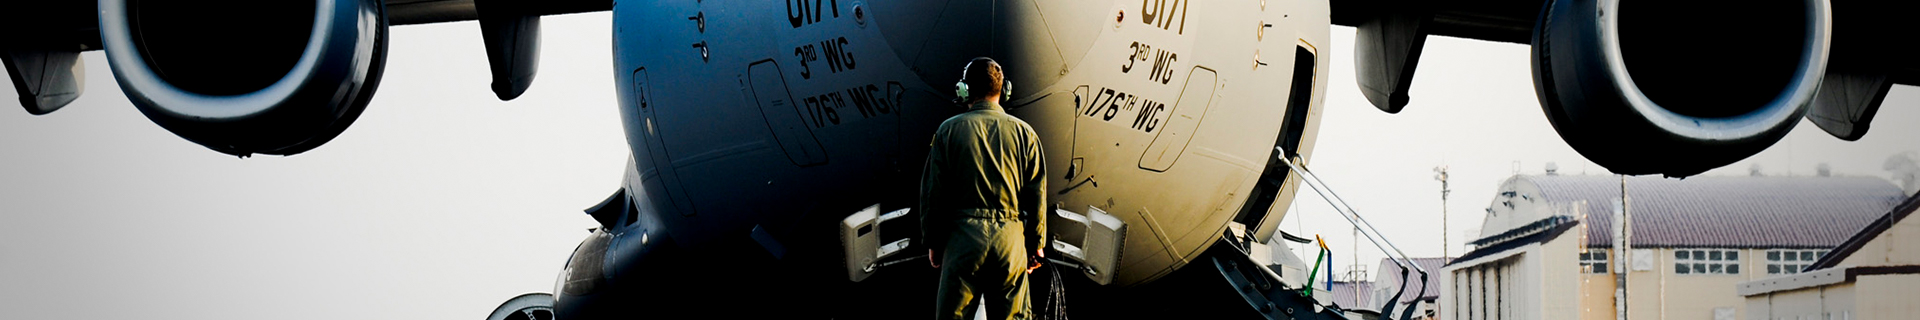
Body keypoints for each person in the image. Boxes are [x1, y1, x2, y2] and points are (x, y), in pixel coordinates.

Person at [920, 57, 1047, 320]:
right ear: (1005, 90)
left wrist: (933, 240)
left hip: (962, 240)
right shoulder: (1026, 134)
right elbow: (1036, 193)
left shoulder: (948, 131)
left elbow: (934, 192)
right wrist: (1036, 244)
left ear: (964, 90)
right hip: (1010, 240)